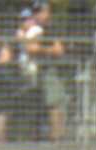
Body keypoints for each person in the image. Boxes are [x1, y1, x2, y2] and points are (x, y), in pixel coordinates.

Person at [18, 1, 68, 140]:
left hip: (51, 71)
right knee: (49, 106)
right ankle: (51, 139)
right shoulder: (33, 29)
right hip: (38, 72)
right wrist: (48, 50)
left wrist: (46, 50)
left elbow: (59, 50)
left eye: (42, 11)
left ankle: (58, 138)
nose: (40, 15)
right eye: (37, 12)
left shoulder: (49, 29)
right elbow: (30, 48)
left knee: (58, 104)